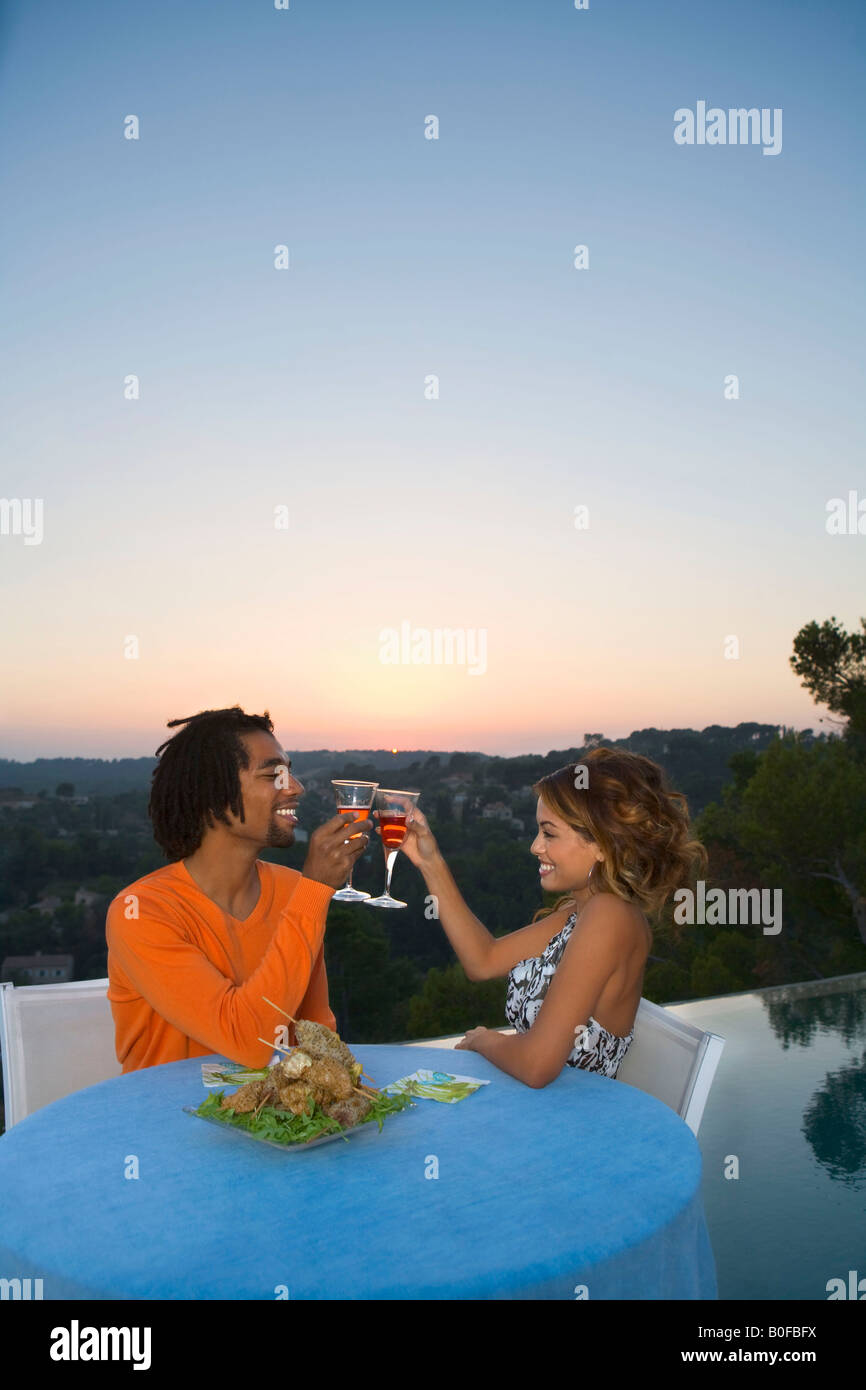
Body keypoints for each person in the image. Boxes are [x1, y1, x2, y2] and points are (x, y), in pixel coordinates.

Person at [394, 746, 707, 1087]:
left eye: (549, 833)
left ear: (602, 845)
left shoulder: (610, 916)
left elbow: (537, 1065)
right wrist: (430, 861)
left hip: (576, 1124)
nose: (535, 846)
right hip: (545, 1111)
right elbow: (483, 960)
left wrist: (486, 1040)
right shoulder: (580, 912)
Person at [106, 706, 369, 1072]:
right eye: (272, 774)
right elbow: (249, 1043)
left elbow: (316, 1032)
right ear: (213, 795)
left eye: (289, 772)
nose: (295, 787)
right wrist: (315, 890)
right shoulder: (140, 912)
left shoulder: (293, 889)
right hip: (166, 1122)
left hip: (280, 1122)